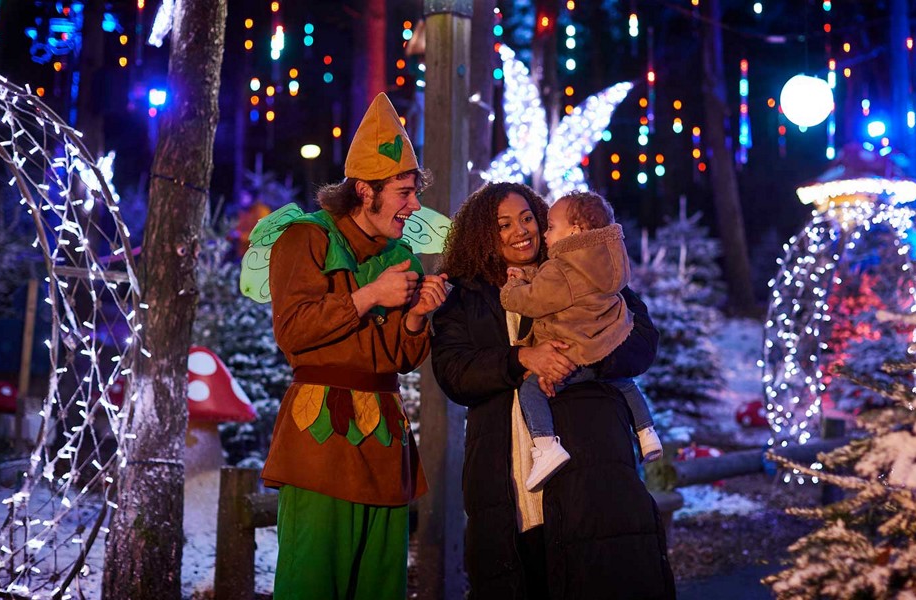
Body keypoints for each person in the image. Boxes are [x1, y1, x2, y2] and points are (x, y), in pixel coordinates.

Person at [432, 182, 675, 600]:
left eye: (528, 218)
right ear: (482, 234)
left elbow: (642, 340)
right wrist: (522, 360)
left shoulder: (581, 265)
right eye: (503, 224)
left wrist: (583, 360)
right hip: (505, 475)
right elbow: (453, 372)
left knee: (598, 574)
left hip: (591, 463)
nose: (520, 231)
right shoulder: (465, 297)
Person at [259, 93, 448, 599]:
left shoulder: (401, 253)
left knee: (380, 586)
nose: (414, 206)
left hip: (385, 442)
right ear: (365, 190)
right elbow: (293, 331)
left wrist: (415, 318)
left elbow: (401, 359)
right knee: (312, 582)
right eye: (404, 193)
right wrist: (370, 295)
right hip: (320, 437)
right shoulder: (305, 238)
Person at [500, 191, 663, 491]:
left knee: (530, 390)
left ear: (574, 231)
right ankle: (646, 431)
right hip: (605, 355)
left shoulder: (559, 268)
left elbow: (536, 299)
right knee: (625, 383)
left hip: (575, 366)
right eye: (504, 224)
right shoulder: (608, 266)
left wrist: (512, 288)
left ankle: (546, 445)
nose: (544, 233)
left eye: (548, 226)